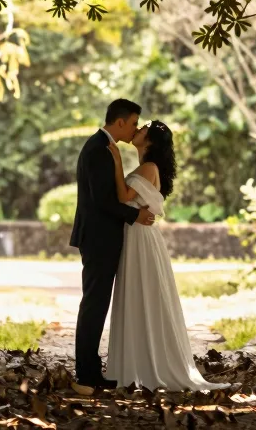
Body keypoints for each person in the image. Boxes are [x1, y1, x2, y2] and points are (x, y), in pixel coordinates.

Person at [103, 120, 231, 392]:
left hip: (141, 238)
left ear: (150, 140)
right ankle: (137, 362)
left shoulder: (149, 168)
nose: (138, 129)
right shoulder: (145, 167)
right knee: (137, 295)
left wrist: (116, 162)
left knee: (144, 295)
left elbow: (124, 195)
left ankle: (151, 363)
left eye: (144, 127)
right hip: (137, 236)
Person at [70, 98, 155, 391]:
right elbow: (102, 201)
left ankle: (91, 370)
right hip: (97, 238)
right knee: (94, 304)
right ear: (120, 122)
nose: (134, 129)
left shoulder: (105, 148)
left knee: (97, 304)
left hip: (101, 237)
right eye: (133, 123)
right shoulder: (99, 150)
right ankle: (85, 374)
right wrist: (136, 215)